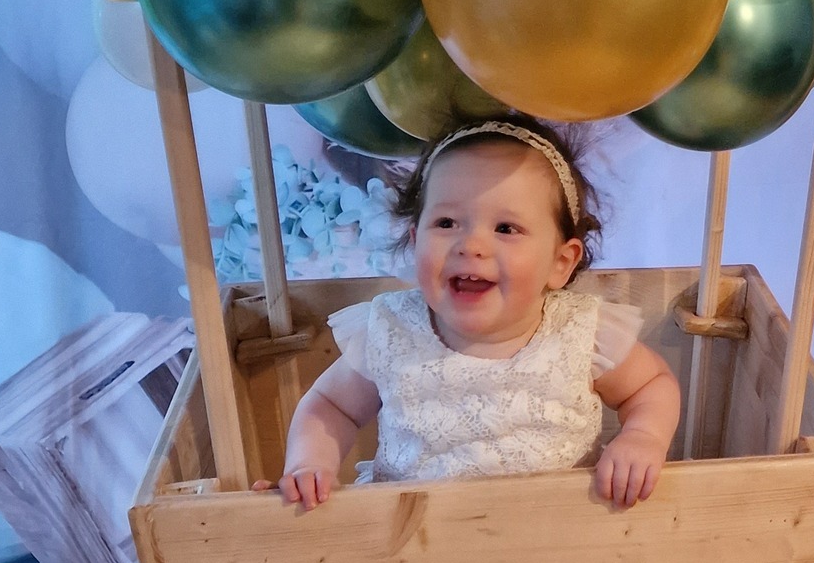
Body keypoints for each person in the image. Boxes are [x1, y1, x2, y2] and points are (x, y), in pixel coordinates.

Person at [265, 117, 679, 511]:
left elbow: (651, 386)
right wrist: (310, 464)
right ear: (415, 240)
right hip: (409, 541)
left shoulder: (582, 333)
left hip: (556, 540)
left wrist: (643, 437)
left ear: (560, 261)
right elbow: (328, 406)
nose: (471, 244)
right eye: (446, 222)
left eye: (505, 228)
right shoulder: (391, 331)